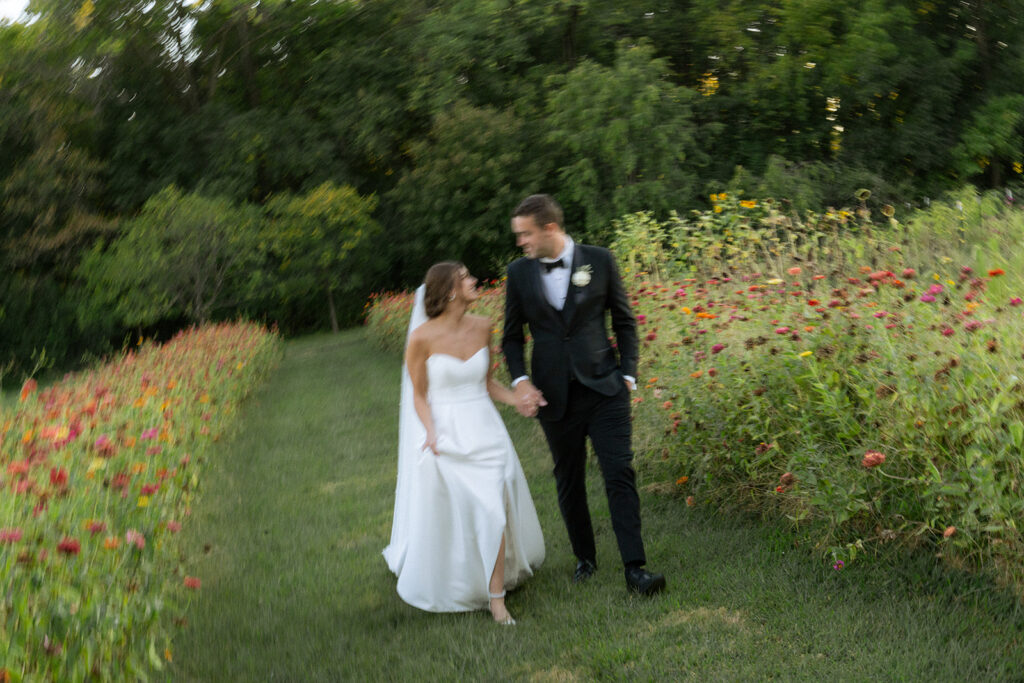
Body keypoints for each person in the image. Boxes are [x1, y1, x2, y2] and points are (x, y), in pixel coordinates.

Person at [502, 194, 666, 596]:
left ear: (550, 229)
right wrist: (521, 380)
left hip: (605, 388)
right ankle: (585, 558)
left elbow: (625, 322)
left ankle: (635, 568)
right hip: (553, 397)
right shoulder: (518, 274)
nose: (520, 242)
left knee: (619, 472)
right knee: (568, 479)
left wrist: (628, 375)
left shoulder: (601, 260)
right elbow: (509, 338)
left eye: (525, 234)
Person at [383, 261, 545, 625]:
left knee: (494, 506)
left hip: (486, 429)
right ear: (451, 290)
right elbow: (420, 396)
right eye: (467, 277)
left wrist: (516, 400)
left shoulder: (484, 326)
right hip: (448, 430)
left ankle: (496, 598)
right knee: (472, 510)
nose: (475, 281)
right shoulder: (421, 338)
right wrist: (429, 431)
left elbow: (487, 383)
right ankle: (469, 577)